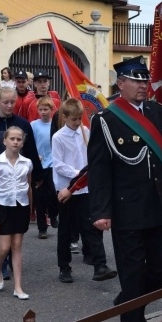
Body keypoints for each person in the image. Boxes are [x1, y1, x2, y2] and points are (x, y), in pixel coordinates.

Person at [88, 56, 162, 322]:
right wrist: (101, 211)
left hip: (160, 205)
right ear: (120, 83)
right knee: (132, 272)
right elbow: (99, 170)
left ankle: (126, 303)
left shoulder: (158, 113)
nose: (142, 85)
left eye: (144, 80)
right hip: (128, 210)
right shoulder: (106, 120)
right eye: (135, 80)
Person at [0, 87, 43, 270]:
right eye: (6, 102)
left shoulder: (23, 125)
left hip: (18, 182)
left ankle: (13, 259)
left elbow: (32, 152)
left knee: (16, 224)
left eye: (13, 102)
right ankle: (1, 263)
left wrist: (38, 175)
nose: (10, 105)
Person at [53, 98, 117, 283]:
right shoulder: (58, 137)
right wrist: (79, 175)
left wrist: (88, 175)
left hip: (85, 188)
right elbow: (58, 165)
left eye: (80, 118)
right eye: (74, 119)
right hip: (66, 188)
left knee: (91, 226)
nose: (78, 122)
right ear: (64, 117)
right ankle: (64, 267)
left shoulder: (85, 131)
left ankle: (100, 265)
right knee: (65, 229)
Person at [0, 126, 33, 299]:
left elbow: (28, 188)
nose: (15, 142)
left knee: (17, 246)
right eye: (12, 139)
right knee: (4, 247)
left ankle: (18, 287)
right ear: (4, 141)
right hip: (2, 206)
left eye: (19, 139)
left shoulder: (27, 163)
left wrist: (31, 209)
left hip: (20, 206)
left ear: (22, 142)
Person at [31, 96, 59, 238]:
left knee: (53, 193)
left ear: (51, 109)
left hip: (53, 163)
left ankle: (53, 214)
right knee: (39, 197)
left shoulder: (56, 124)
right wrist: (35, 157)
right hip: (39, 164)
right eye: (40, 109)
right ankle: (42, 228)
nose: (42, 112)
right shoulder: (34, 125)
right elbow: (30, 143)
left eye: (45, 109)